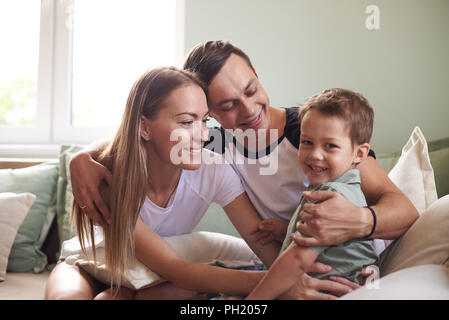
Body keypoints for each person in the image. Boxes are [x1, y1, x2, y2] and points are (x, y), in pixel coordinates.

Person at [68, 40, 419, 299]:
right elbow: (147, 134)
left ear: (256, 76)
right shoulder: (215, 142)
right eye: (228, 106)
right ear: (210, 114)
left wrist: (358, 221)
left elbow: (404, 210)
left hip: (344, 264)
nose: (250, 110)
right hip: (283, 259)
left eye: (252, 90)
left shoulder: (310, 134)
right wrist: (82, 158)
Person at [45, 67, 282, 300]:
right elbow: (175, 268)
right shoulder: (111, 177)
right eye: (187, 122)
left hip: (147, 277)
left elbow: (263, 244)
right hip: (90, 264)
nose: (203, 135)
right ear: (145, 127)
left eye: (205, 121)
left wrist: (290, 274)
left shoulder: (214, 170)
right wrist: (278, 283)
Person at [246, 88, 378, 300]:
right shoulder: (344, 189)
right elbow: (329, 246)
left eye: (330, 146)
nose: (315, 155)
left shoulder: (330, 194)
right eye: (307, 142)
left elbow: (297, 260)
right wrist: (289, 231)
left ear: (359, 153)